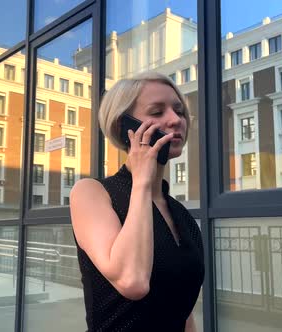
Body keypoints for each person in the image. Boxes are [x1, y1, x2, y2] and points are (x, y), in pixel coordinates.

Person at [69, 71, 205, 331]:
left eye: (179, 111)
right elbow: (132, 282)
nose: (175, 120)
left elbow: (183, 309)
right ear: (125, 125)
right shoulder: (92, 193)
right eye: (157, 112)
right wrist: (142, 180)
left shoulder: (180, 214)